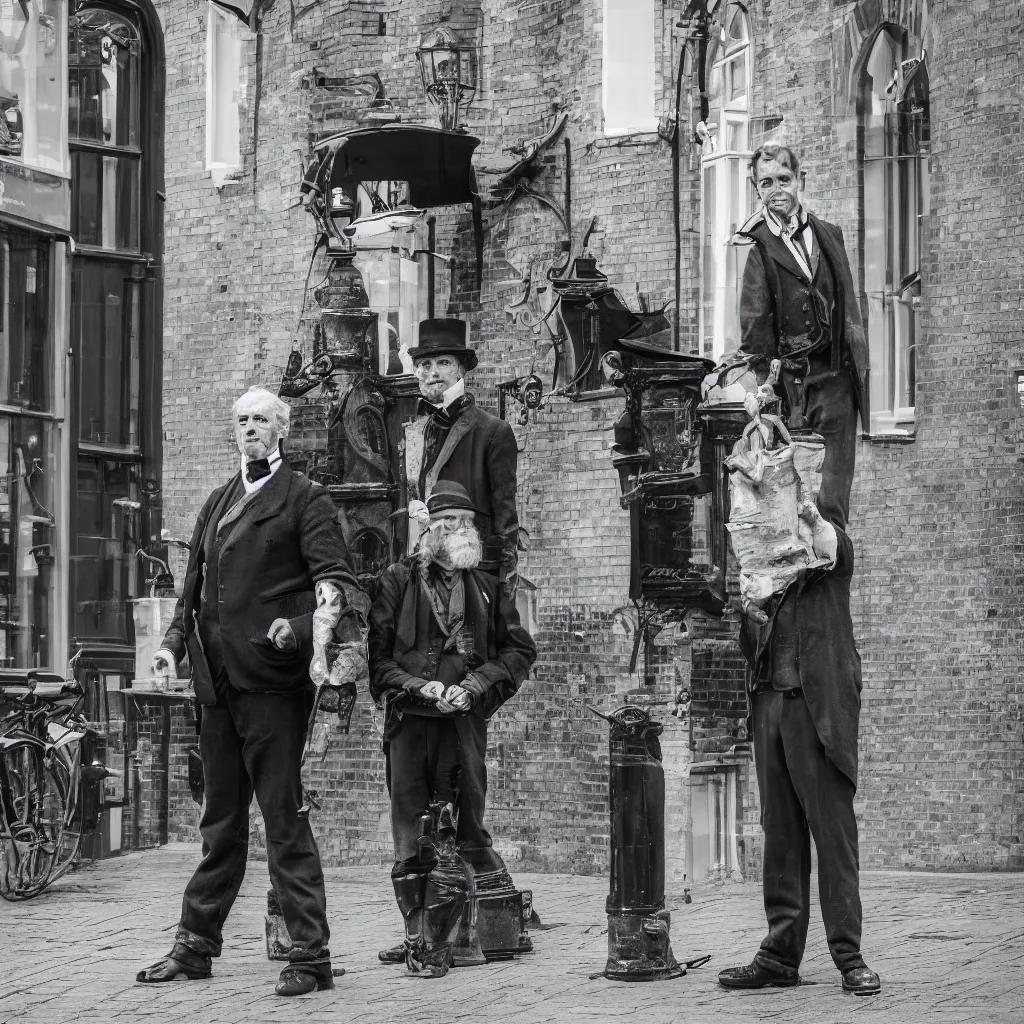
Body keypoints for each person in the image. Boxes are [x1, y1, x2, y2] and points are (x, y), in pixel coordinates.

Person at [136, 387, 368, 997]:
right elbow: (192, 588)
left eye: (261, 419)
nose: (250, 429)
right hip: (215, 685)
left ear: (282, 429)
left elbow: (337, 584)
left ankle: (310, 955)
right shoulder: (217, 499)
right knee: (219, 822)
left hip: (272, 683)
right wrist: (171, 645)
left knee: (284, 820)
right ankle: (194, 946)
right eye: (241, 420)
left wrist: (296, 629)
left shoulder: (306, 499)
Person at [716, 145, 881, 997]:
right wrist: (761, 405)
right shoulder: (759, 251)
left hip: (816, 692)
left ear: (800, 183)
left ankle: (849, 956)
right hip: (772, 693)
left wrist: (857, 385)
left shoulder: (825, 545)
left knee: (830, 828)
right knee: (780, 832)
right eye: (765, 182)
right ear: (757, 191)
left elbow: (850, 314)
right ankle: (781, 953)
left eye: (785, 179)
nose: (776, 191)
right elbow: (753, 343)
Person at [367, 481, 536, 975]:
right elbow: (378, 664)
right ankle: (418, 935)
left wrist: (476, 684)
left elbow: (518, 652)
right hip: (410, 724)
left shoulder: (486, 585)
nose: (460, 530)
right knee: (410, 832)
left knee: (460, 828)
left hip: (462, 726)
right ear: (428, 529)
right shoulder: (396, 582)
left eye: (466, 522)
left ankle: (449, 939)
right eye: (449, 522)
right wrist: (420, 686)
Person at [404, 318, 521, 597]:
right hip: (419, 574)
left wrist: (504, 586)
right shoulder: (411, 430)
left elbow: (506, 519)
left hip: (472, 576)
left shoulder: (493, 432)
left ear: (460, 370)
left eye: (443, 363)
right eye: (425, 365)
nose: (433, 372)